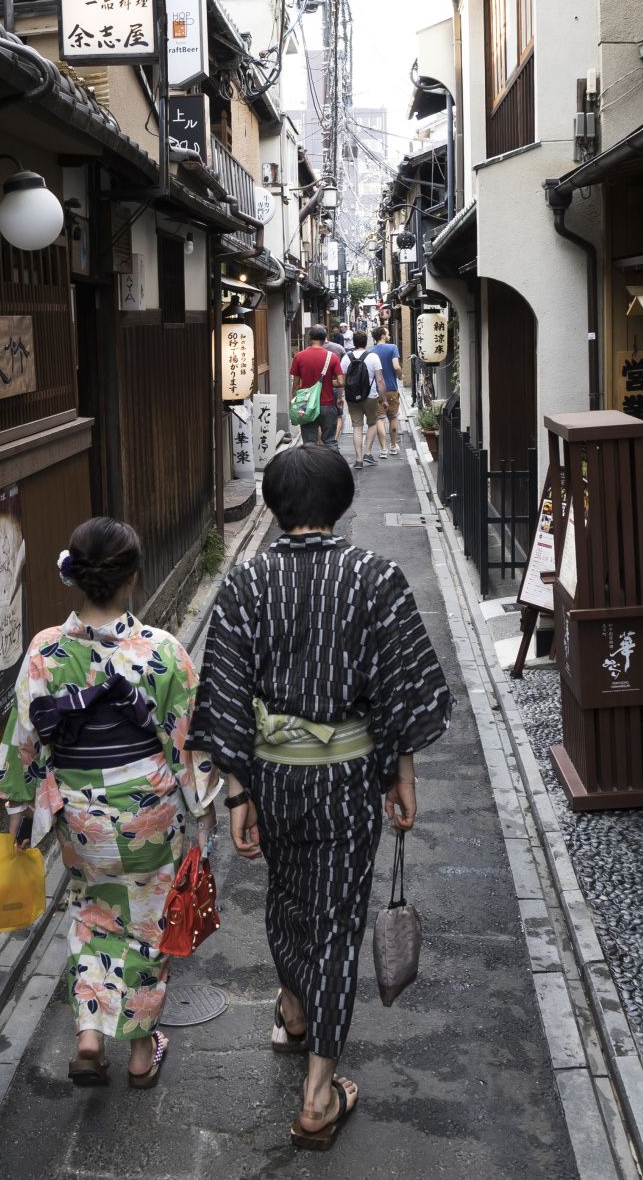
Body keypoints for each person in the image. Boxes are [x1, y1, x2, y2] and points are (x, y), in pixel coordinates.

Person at [194, 444, 453, 1150]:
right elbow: (400, 688)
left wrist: (238, 788)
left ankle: (295, 1007)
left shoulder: (247, 585)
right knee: (335, 919)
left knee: (285, 899)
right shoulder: (374, 577)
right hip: (345, 775)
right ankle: (318, 1092)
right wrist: (403, 773)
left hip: (274, 775)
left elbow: (223, 694)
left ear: (274, 507)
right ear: (342, 504)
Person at [0, 517, 219, 1089]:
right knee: (144, 925)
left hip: (81, 816)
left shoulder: (46, 650)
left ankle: (90, 1035)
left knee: (92, 916)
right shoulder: (161, 652)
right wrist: (205, 813)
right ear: (132, 579)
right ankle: (141, 1054)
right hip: (148, 813)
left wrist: (19, 814)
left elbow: (23, 738)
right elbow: (191, 740)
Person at [289, 327, 345, 447]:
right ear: (324, 339)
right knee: (330, 441)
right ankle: (332, 465)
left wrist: (295, 403)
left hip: (305, 404)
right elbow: (341, 382)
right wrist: (328, 382)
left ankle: (310, 465)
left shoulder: (299, 356)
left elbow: (295, 385)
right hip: (327, 404)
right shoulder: (332, 357)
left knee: (309, 444)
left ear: (309, 338)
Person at [343, 335, 387, 470]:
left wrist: (340, 397)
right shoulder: (373, 357)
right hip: (370, 396)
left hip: (351, 397)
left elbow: (343, 380)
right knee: (372, 423)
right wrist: (383, 399)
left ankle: (358, 459)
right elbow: (380, 380)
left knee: (357, 427)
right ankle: (368, 453)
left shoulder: (346, 358)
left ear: (353, 342)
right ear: (366, 341)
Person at [370, 327, 404, 456]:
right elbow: (396, 366)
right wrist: (400, 376)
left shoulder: (371, 351)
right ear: (383, 335)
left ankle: (383, 449)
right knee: (393, 417)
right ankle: (394, 446)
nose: (389, 335)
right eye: (388, 333)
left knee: (379, 419)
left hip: (377, 391)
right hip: (391, 389)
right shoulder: (392, 348)